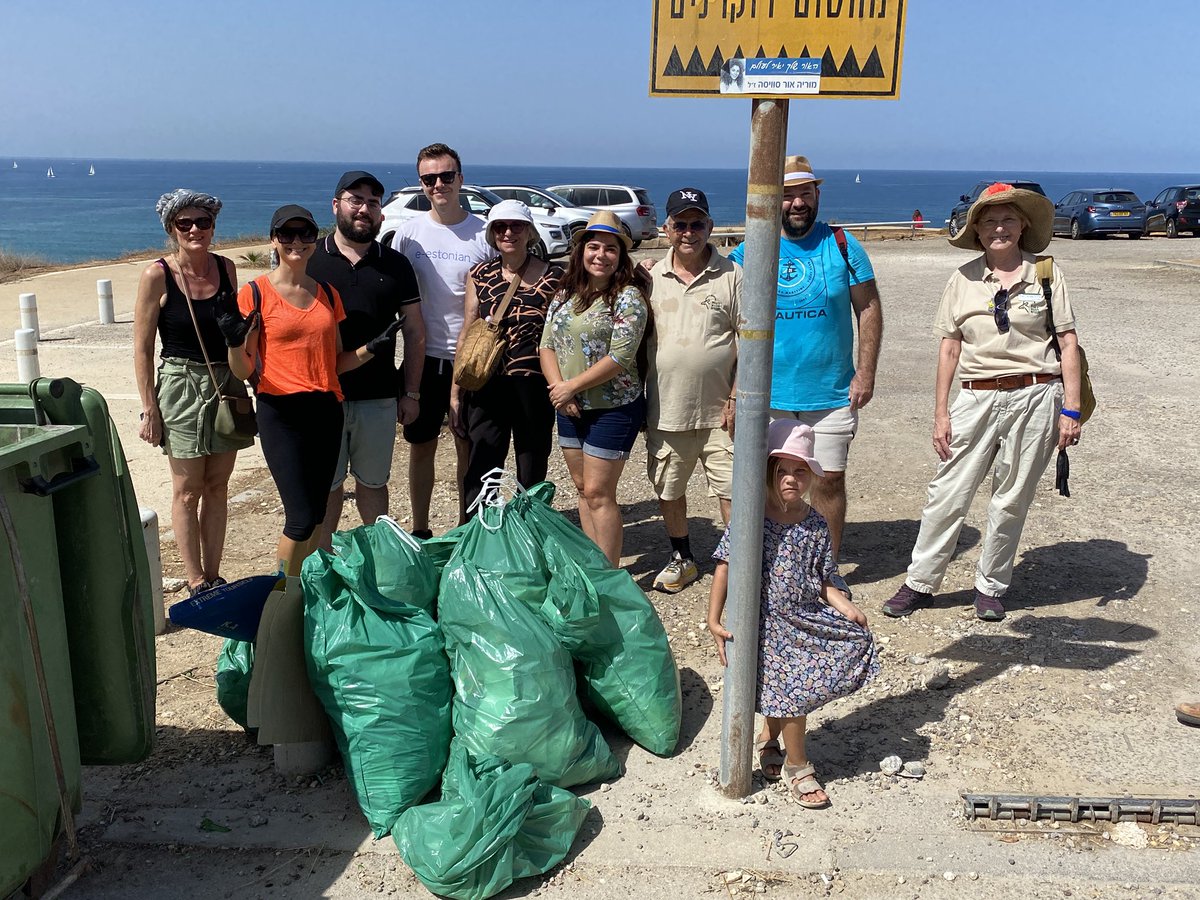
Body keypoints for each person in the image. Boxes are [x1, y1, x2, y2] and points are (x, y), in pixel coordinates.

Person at [882, 182, 1083, 621]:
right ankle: (920, 581)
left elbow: (1067, 343)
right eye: (989, 220)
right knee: (947, 491)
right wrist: (939, 413)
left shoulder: (1046, 273)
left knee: (1011, 497)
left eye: (1008, 218)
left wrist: (1071, 408)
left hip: (1035, 394)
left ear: (1023, 225)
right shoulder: (963, 278)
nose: (999, 227)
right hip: (975, 397)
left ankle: (991, 586)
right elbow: (949, 348)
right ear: (976, 230)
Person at [215, 205, 401, 576]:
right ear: (274, 240)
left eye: (304, 234)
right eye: (287, 234)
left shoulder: (327, 295)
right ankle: (283, 595)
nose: (296, 241)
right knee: (299, 518)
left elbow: (335, 363)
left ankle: (308, 587)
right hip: (281, 413)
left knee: (318, 515)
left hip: (326, 411)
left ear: (314, 240)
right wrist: (235, 343)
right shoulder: (256, 294)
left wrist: (372, 349)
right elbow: (244, 369)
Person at [707, 420, 878, 809]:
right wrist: (714, 619)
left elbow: (822, 579)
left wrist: (846, 606)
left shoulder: (815, 522)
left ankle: (769, 736)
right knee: (792, 694)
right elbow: (725, 564)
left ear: (811, 477)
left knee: (849, 645)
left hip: (804, 616)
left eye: (799, 471)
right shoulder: (752, 517)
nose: (790, 479)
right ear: (767, 473)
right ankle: (798, 766)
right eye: (781, 470)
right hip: (765, 624)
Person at [729, 154, 883, 570]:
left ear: (817, 194)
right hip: (766, 392)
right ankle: (772, 564)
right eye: (788, 195)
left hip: (830, 390)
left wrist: (866, 372)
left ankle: (824, 569)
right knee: (769, 480)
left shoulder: (843, 245)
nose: (797, 203)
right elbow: (727, 317)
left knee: (828, 480)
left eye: (804, 193)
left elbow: (868, 308)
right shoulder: (749, 251)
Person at [133, 189, 252, 596]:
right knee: (187, 490)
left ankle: (214, 575)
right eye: (185, 224)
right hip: (181, 385)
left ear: (214, 227)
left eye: (203, 222)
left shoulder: (226, 268)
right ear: (171, 229)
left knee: (218, 485)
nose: (195, 230)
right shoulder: (157, 275)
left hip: (225, 384)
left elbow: (235, 331)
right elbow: (142, 346)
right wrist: (149, 407)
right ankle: (195, 578)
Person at [308, 171, 425, 549]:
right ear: (336, 205)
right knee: (327, 488)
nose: (364, 209)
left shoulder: (395, 264)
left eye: (372, 203)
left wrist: (411, 392)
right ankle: (323, 565)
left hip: (378, 396)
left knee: (374, 485)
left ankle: (380, 564)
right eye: (354, 199)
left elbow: (415, 331)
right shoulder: (310, 261)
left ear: (381, 214)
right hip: (321, 397)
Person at [390, 143, 494, 537]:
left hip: (471, 361)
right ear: (421, 183)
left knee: (466, 447)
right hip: (422, 359)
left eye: (446, 176)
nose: (438, 185)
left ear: (460, 179)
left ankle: (467, 529)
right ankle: (420, 530)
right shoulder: (408, 234)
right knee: (421, 446)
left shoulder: (483, 233)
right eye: (429, 179)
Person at [642, 187, 741, 593]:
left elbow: (752, 341)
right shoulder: (646, 277)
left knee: (734, 489)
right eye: (680, 224)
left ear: (710, 227)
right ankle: (683, 558)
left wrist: (738, 396)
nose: (688, 232)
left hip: (723, 412)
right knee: (668, 488)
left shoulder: (734, 275)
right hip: (667, 410)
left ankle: (740, 565)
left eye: (696, 223)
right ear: (666, 229)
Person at [540, 211, 648, 567]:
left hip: (613, 407)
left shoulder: (628, 297)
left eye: (610, 249)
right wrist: (560, 388)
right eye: (594, 246)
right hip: (568, 405)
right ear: (581, 251)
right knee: (583, 489)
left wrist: (570, 386)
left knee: (601, 493)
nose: (601, 255)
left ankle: (609, 574)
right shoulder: (565, 293)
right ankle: (593, 564)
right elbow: (546, 345)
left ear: (621, 256)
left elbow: (621, 356)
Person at [459, 200, 562, 507]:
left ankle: (528, 534)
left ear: (529, 232)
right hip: (487, 383)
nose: (508, 233)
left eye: (516, 226)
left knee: (531, 465)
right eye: (500, 227)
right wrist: (455, 392)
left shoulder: (555, 277)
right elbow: (468, 331)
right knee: (482, 465)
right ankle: (480, 536)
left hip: (534, 384)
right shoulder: (479, 274)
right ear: (492, 234)